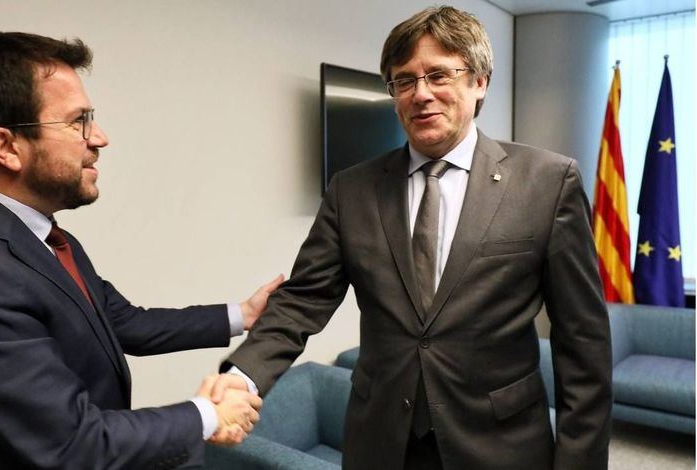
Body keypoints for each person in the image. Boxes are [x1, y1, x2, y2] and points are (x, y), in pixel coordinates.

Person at [211, 6, 612, 470]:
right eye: (404, 81)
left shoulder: (547, 182)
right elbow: (303, 299)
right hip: (381, 442)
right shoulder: (352, 189)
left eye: (439, 75)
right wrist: (245, 376)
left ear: (479, 81)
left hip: (500, 445)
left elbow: (583, 344)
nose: (420, 94)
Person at [0, 31, 282, 470]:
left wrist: (244, 314)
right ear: (6, 147)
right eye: (77, 121)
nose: (99, 138)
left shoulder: (45, 239)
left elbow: (124, 323)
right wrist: (209, 415)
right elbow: (74, 444)